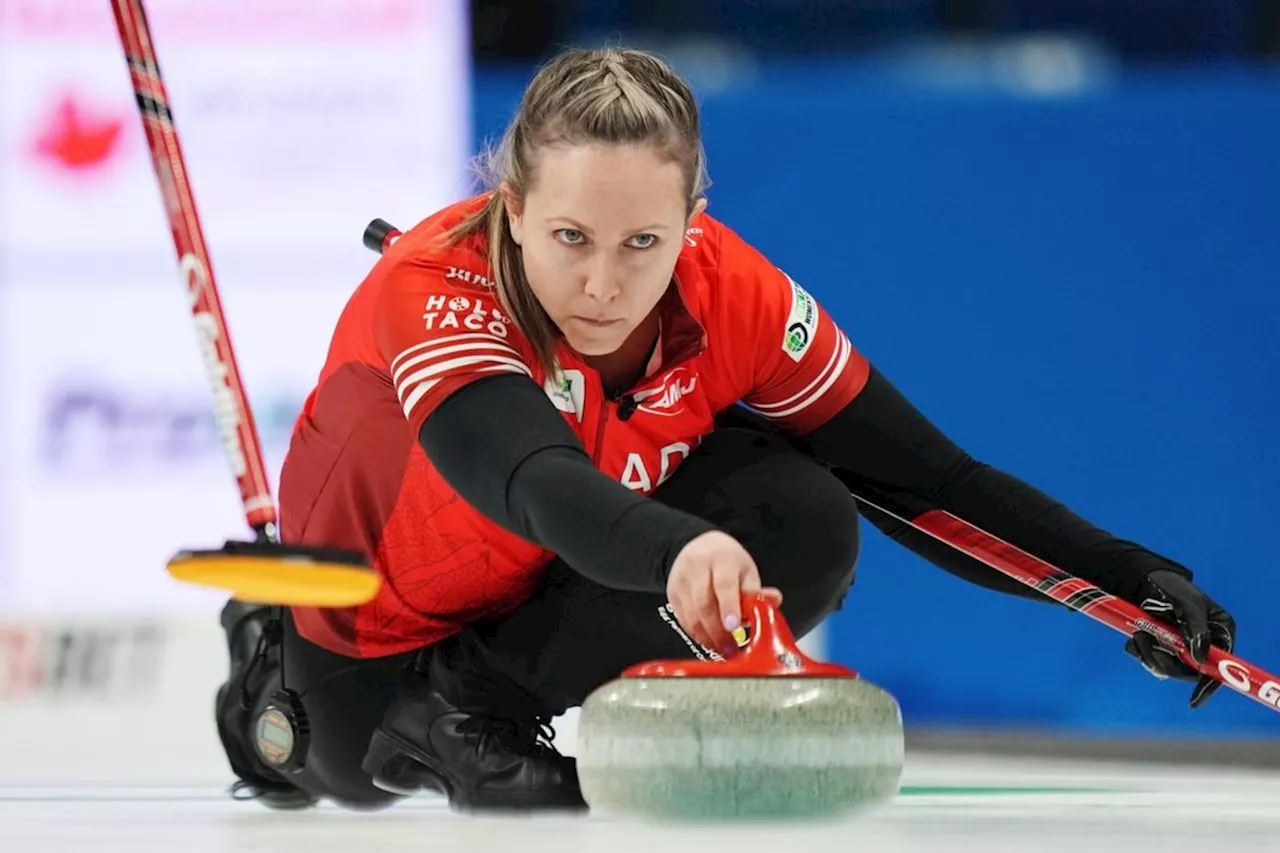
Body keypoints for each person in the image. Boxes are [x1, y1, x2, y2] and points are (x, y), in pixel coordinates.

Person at [213, 46, 1236, 814]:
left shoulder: (729, 291)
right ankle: (274, 662)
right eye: (568, 237)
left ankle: (474, 700)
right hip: (379, 623)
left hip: (530, 603)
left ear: (692, 217)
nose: (604, 283)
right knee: (316, 757)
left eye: (642, 241)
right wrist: (684, 547)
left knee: (804, 513)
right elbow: (534, 479)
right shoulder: (436, 290)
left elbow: (926, 481)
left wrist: (1124, 580)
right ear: (510, 206)